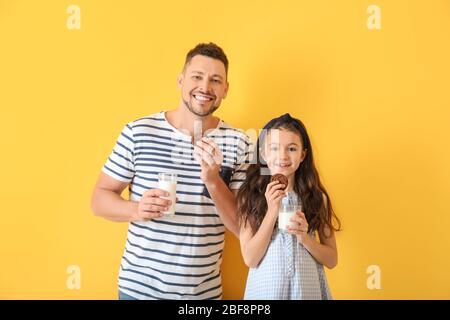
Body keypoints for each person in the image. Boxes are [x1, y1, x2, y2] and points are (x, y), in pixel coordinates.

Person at [91, 43, 251, 300]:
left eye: (216, 80)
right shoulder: (139, 132)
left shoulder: (240, 143)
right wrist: (136, 209)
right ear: (181, 80)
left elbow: (242, 228)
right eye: (197, 76)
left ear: (225, 90)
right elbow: (99, 199)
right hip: (137, 291)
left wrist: (213, 182)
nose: (205, 87)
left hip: (201, 296)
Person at [237, 113, 341, 299]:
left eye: (292, 148)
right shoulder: (250, 197)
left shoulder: (317, 198)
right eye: (274, 148)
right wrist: (272, 210)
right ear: (263, 153)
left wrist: (304, 238)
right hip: (267, 292)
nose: (282, 156)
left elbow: (332, 259)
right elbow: (250, 259)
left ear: (302, 155)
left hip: (306, 290)